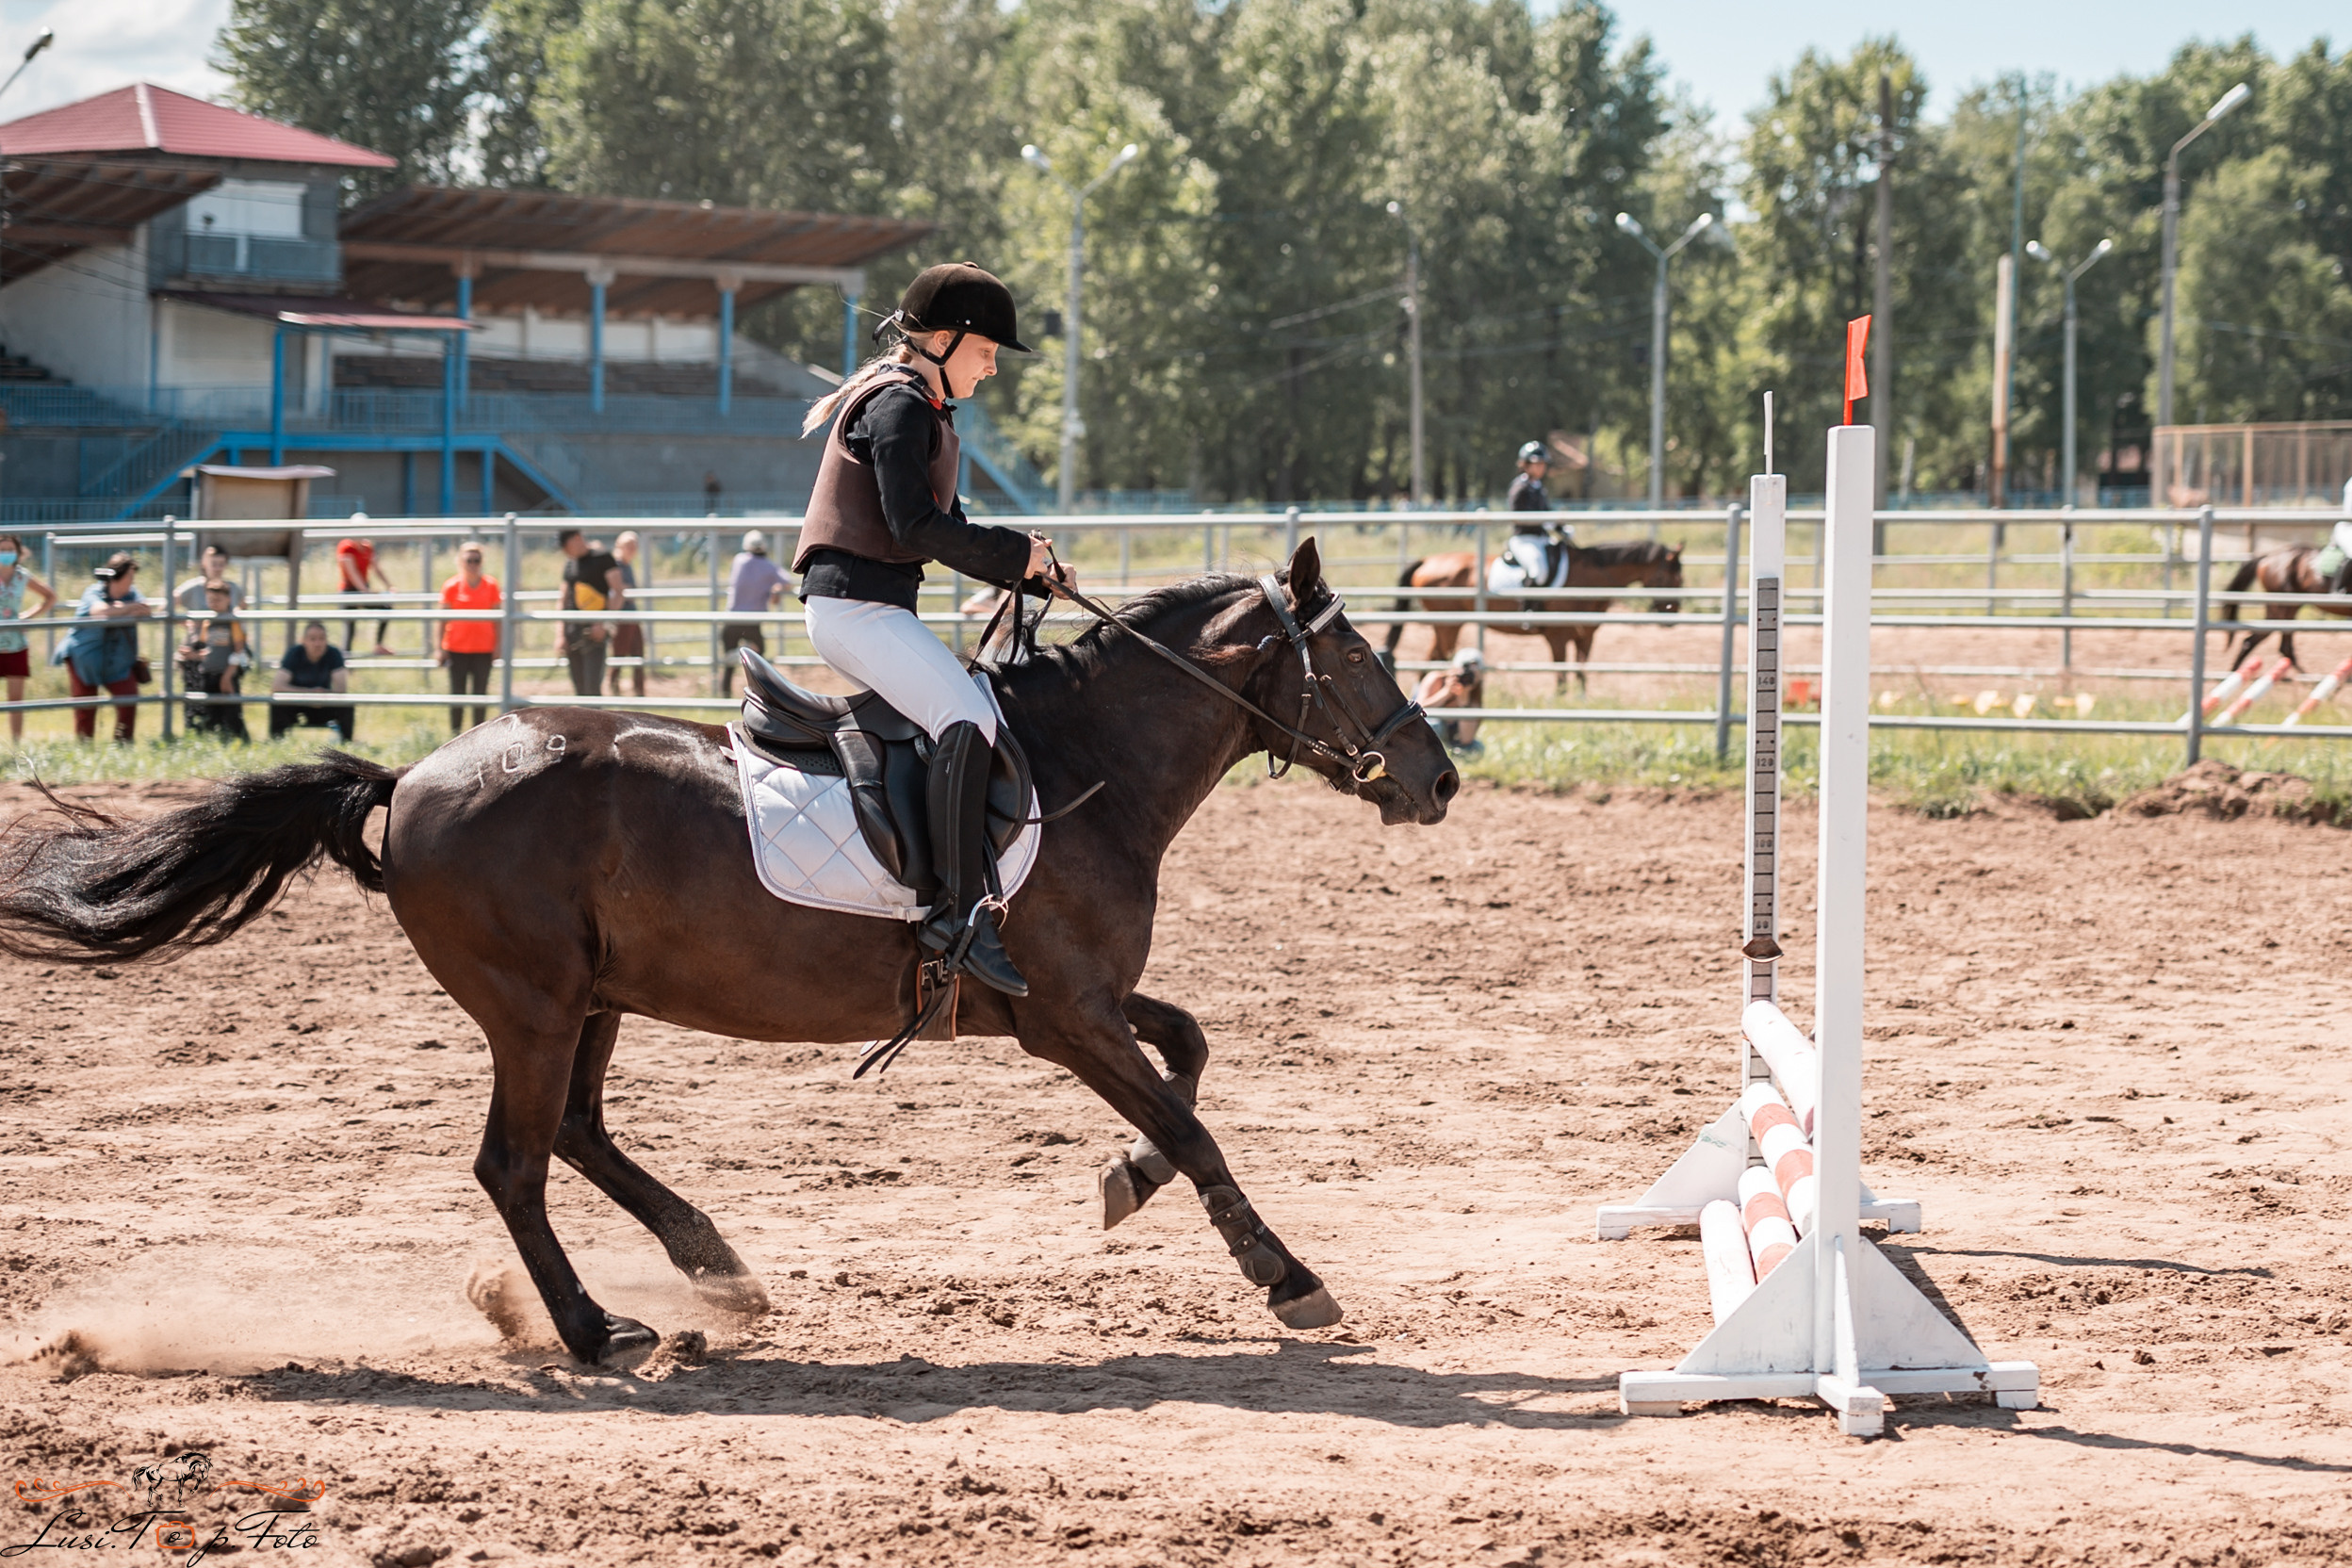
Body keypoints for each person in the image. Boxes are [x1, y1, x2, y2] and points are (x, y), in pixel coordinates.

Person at [792, 261, 1069, 998]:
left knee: (972, 709)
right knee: (969, 718)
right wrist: (1018, 554)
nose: (992, 371)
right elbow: (917, 525)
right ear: (943, 341)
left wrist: (1028, 568)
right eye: (986, 354)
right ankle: (956, 917)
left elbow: (935, 529)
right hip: (854, 607)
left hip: (869, 605)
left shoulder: (919, 405)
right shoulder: (901, 407)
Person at [57, 553, 153, 743]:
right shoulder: (93, 592)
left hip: (118, 660)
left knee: (128, 699)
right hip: (84, 658)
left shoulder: (132, 594)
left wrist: (119, 608)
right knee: (86, 707)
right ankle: (84, 749)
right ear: (118, 576)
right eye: (130, 577)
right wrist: (128, 608)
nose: (132, 581)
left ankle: (123, 745)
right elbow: (100, 613)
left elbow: (146, 609)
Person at [0, 531, 59, 743]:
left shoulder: (21, 576)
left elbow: (50, 596)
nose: (5, 553)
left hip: (16, 644)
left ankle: (17, 747)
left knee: (16, 700)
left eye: (9, 550)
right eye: (2, 549)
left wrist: (27, 617)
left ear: (17, 552)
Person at [437, 541, 501, 733]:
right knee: (457, 693)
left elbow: (499, 619)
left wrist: (498, 646)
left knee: (480, 694)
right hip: (456, 648)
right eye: (469, 560)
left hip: (483, 648)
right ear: (461, 562)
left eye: (477, 560)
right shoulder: (451, 586)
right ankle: (455, 733)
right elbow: (441, 619)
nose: (473, 564)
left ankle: (478, 733)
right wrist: (439, 648)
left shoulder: (491, 585)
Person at [177, 580, 251, 742]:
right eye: (211, 600)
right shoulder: (207, 621)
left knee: (232, 713)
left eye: (218, 600)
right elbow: (206, 651)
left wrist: (228, 676)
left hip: (227, 675)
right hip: (209, 673)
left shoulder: (232, 621)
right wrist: (192, 655)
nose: (214, 604)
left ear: (228, 599)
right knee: (211, 711)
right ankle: (215, 740)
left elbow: (239, 649)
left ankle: (241, 740)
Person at [719, 530, 786, 697]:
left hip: (732, 618)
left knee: (728, 662)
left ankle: (724, 692)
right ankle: (760, 692)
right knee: (759, 655)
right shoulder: (769, 567)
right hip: (752, 621)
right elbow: (786, 581)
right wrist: (776, 588)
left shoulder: (738, 560)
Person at [558, 529, 624, 697]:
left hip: (594, 632)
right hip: (573, 632)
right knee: (579, 688)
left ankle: (594, 723)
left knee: (592, 687)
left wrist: (604, 623)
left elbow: (618, 592)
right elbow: (563, 599)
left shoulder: (603, 558)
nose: (564, 550)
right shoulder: (570, 563)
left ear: (577, 538)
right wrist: (560, 634)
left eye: (566, 545)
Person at [271, 621, 355, 740]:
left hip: (325, 703)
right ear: (303, 641)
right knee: (278, 701)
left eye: (322, 638)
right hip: (298, 703)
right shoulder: (294, 653)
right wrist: (308, 694)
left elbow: (341, 689)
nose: (318, 643)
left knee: (346, 704)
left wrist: (323, 696)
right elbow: (277, 686)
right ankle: (276, 740)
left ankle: (347, 742)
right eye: (313, 639)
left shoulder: (333, 653)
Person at [1414, 646, 1485, 756]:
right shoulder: (1436, 678)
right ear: (1454, 669)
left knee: (1476, 748)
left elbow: (1466, 739)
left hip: (1452, 742)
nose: (1468, 676)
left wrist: (1464, 700)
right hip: (1424, 737)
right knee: (1435, 725)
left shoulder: (1474, 697)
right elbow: (1418, 708)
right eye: (1465, 670)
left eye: (1473, 672)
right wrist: (1446, 692)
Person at [336, 535, 396, 657]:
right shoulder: (347, 548)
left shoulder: (367, 547)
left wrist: (389, 585)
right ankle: (345, 661)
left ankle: (378, 644)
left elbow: (377, 569)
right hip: (349, 591)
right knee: (350, 627)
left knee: (386, 608)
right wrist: (366, 591)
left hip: (363, 589)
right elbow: (352, 573)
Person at [607, 530, 646, 698]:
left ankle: (638, 689)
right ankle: (614, 685)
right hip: (622, 614)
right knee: (620, 652)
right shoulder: (616, 565)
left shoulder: (625, 564)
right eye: (629, 545)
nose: (633, 549)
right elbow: (617, 589)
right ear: (620, 545)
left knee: (636, 652)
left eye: (634, 546)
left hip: (630, 614)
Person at [174, 544, 245, 616]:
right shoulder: (193, 587)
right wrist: (186, 622)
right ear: (204, 564)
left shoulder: (233, 588)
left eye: (221, 564)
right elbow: (169, 605)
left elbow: (243, 607)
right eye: (213, 564)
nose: (217, 569)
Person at [1509, 441, 1552, 527]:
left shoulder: (1538, 486)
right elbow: (1520, 514)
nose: (1542, 468)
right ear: (1526, 465)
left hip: (1541, 537)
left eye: (1543, 464)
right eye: (1538, 464)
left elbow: (1546, 511)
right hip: (1525, 537)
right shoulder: (1520, 487)